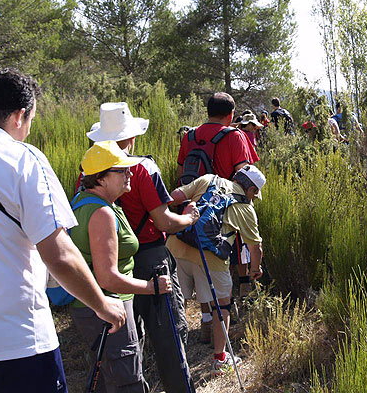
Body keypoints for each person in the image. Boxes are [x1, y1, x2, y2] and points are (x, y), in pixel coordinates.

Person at [0, 69, 126, 393]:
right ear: (19, 115)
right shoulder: (24, 159)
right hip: (18, 343)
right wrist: (102, 304)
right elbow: (59, 256)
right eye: (30, 122)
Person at [86, 102, 200, 393]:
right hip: (151, 259)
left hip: (109, 264)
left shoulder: (90, 170)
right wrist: (188, 218)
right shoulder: (142, 168)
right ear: (132, 137)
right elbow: (163, 222)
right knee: (169, 338)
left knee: (125, 342)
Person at [166, 164, 265, 375]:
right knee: (222, 306)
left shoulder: (209, 179)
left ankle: (171, 354)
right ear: (251, 190)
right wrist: (255, 269)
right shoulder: (245, 208)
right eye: (255, 194)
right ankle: (220, 360)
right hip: (210, 261)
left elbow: (174, 196)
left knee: (175, 303)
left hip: (175, 248)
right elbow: (255, 246)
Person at [176, 92, 259, 341]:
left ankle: (205, 321)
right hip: (223, 215)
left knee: (201, 268)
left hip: (192, 213)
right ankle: (223, 326)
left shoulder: (189, 136)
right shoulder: (235, 136)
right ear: (231, 114)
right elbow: (244, 177)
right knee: (223, 268)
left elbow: (181, 172)